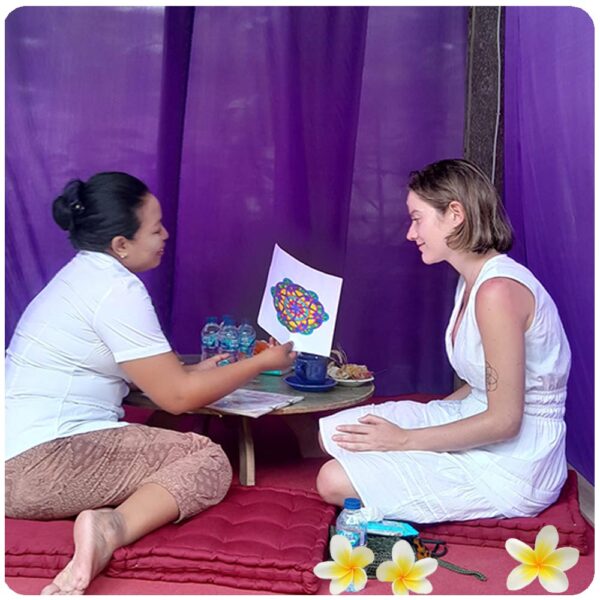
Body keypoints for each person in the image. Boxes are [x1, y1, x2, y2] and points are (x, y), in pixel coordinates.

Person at [5, 172, 296, 595]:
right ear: (121, 244)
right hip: (38, 467)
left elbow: (153, 376)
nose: (165, 235)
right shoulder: (116, 289)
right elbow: (177, 398)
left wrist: (193, 373)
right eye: (155, 228)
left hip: (19, 460)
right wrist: (263, 362)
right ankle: (111, 527)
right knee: (208, 459)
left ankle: (109, 518)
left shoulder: (82, 277)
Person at [317, 158, 571, 523]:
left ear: (455, 213)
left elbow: (505, 422)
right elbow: (480, 385)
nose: (410, 233)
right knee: (335, 435)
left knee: (332, 480)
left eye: (417, 218)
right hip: (472, 414)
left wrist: (405, 440)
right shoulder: (470, 282)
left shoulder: (497, 291)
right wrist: (427, 419)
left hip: (516, 459)